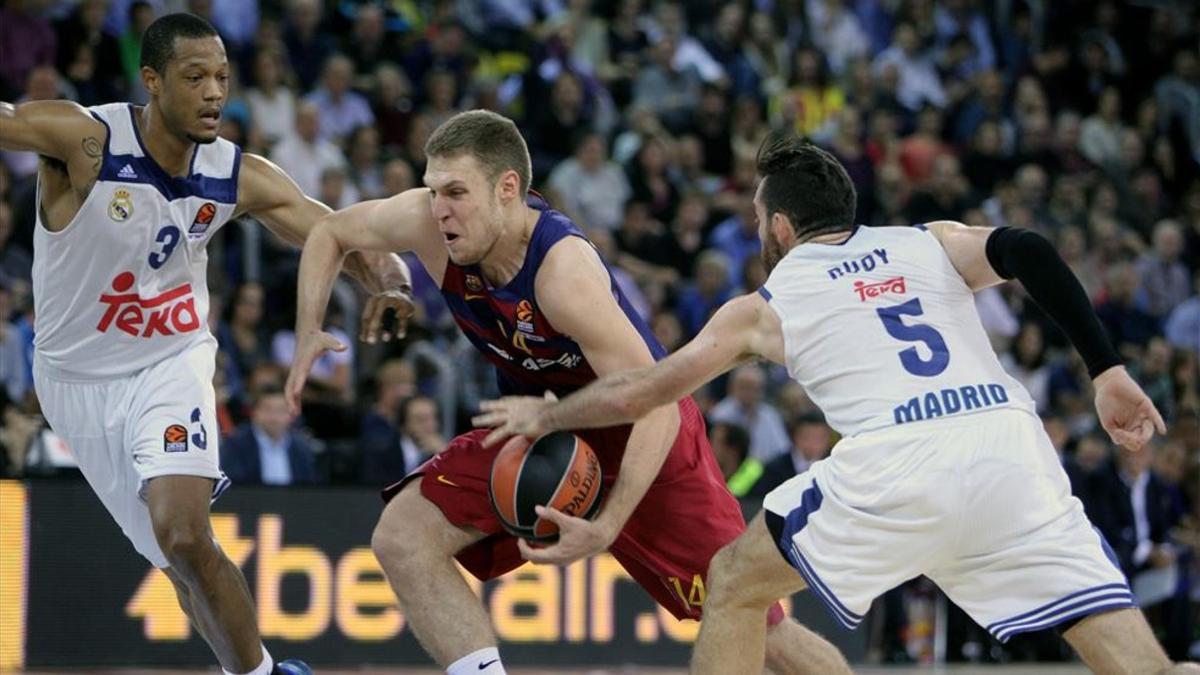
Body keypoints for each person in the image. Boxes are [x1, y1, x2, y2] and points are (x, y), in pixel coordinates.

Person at [474, 138, 1193, 674]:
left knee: (731, 583)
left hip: (901, 458)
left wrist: (548, 415)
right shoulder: (927, 242)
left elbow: (647, 388)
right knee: (1143, 665)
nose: (759, 232)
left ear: (780, 227)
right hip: (1011, 450)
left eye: (759, 218)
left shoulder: (764, 305)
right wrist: (1106, 368)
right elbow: (1028, 247)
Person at [286, 110, 850, 675]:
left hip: (645, 437)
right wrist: (330, 316)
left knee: (756, 623)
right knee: (403, 538)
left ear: (509, 189)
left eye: (456, 192)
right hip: (540, 426)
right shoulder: (428, 223)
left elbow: (652, 406)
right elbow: (331, 231)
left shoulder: (562, 272)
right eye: (434, 191)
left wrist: (606, 526)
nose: (440, 209)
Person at [0, 13, 414, 675]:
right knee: (178, 563)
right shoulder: (87, 139)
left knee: (187, 531)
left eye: (222, 76)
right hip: (74, 381)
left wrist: (387, 275)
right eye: (195, 77)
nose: (214, 92)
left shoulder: (233, 171)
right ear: (153, 80)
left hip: (172, 361)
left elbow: (329, 229)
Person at [221, 386, 320, 486]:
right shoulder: (236, 444)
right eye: (268, 410)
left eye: (281, 410)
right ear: (255, 412)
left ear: (291, 415)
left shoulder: (301, 448)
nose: (274, 417)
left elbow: (309, 486)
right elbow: (234, 486)